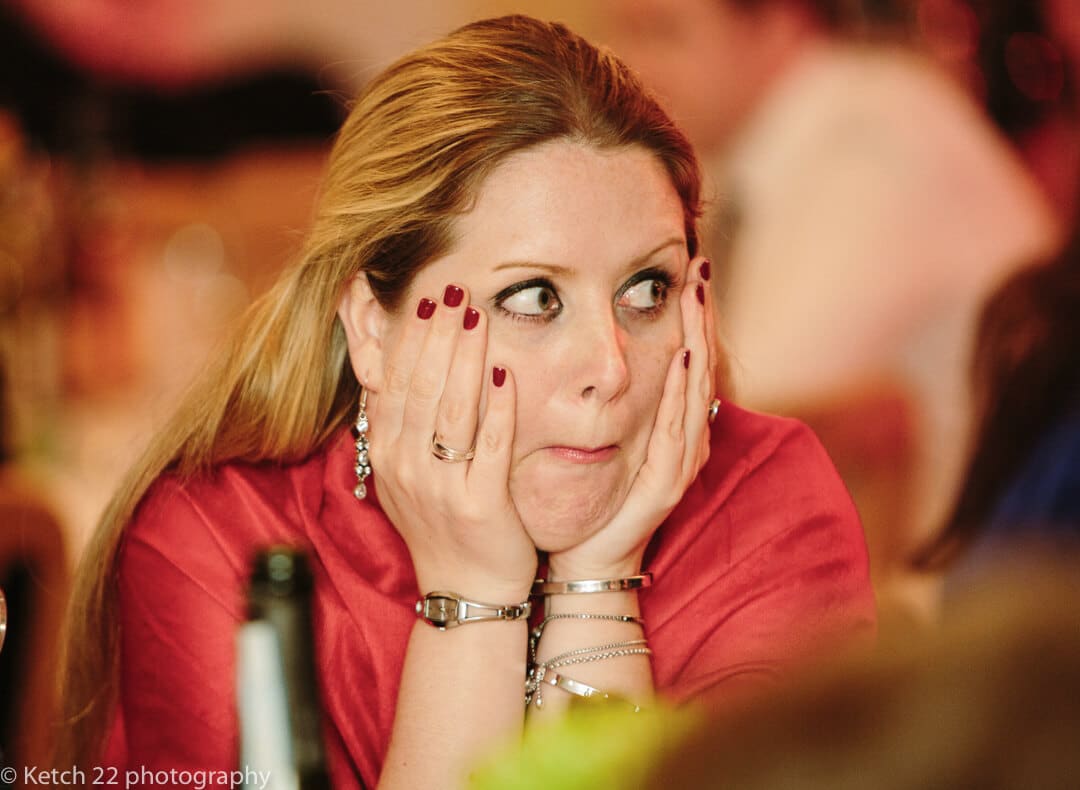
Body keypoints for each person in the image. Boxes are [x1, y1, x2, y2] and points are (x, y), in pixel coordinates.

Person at [56, 16, 875, 789]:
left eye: (646, 288)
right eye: (533, 298)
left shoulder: (767, 503)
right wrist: (475, 596)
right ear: (374, 331)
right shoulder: (223, 546)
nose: (610, 367)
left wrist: (598, 583)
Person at [595, 0, 1061, 621]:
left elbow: (741, 402)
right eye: (627, 33)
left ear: (782, 23)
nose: (638, 65)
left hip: (989, 593)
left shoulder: (871, 136)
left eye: (665, 33)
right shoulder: (749, 151)